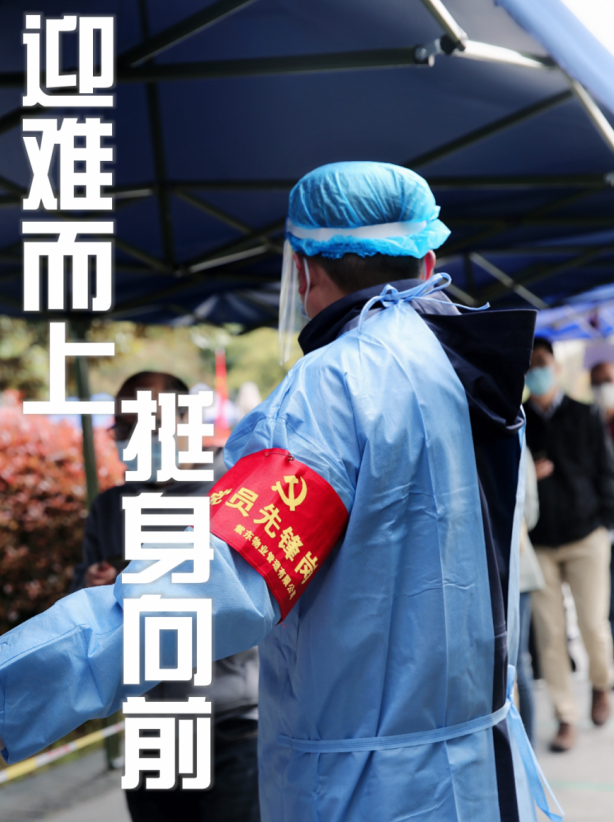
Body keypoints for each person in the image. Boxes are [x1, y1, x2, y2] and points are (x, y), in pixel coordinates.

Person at [0, 162, 554, 822]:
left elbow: (214, 583)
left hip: (371, 791)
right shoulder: (470, 372)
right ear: (428, 259)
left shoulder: (337, 387)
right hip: (485, 773)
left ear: (304, 272)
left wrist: (14, 690)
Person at [72, 371, 260, 822]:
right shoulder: (110, 508)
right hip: (151, 724)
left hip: (231, 718)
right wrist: (93, 588)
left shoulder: (235, 489)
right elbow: (82, 607)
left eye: (147, 425)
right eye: (122, 427)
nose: (132, 439)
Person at [525, 337, 614, 753]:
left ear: (556, 367)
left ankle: (601, 684)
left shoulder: (584, 413)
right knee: (550, 635)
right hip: (541, 542)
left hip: (586, 534)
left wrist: (607, 525)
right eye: (530, 366)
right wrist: (530, 475)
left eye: (542, 363)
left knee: (593, 624)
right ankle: (565, 716)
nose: (536, 372)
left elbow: (605, 471)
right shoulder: (519, 421)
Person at [517, 448, 544, 746]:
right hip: (482, 574)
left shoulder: (516, 442)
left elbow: (530, 515)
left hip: (518, 572)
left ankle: (529, 749)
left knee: (518, 663)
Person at [590, 359, 614, 651]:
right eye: (596, 383)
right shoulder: (590, 421)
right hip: (601, 523)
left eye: (607, 380)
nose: (602, 388)